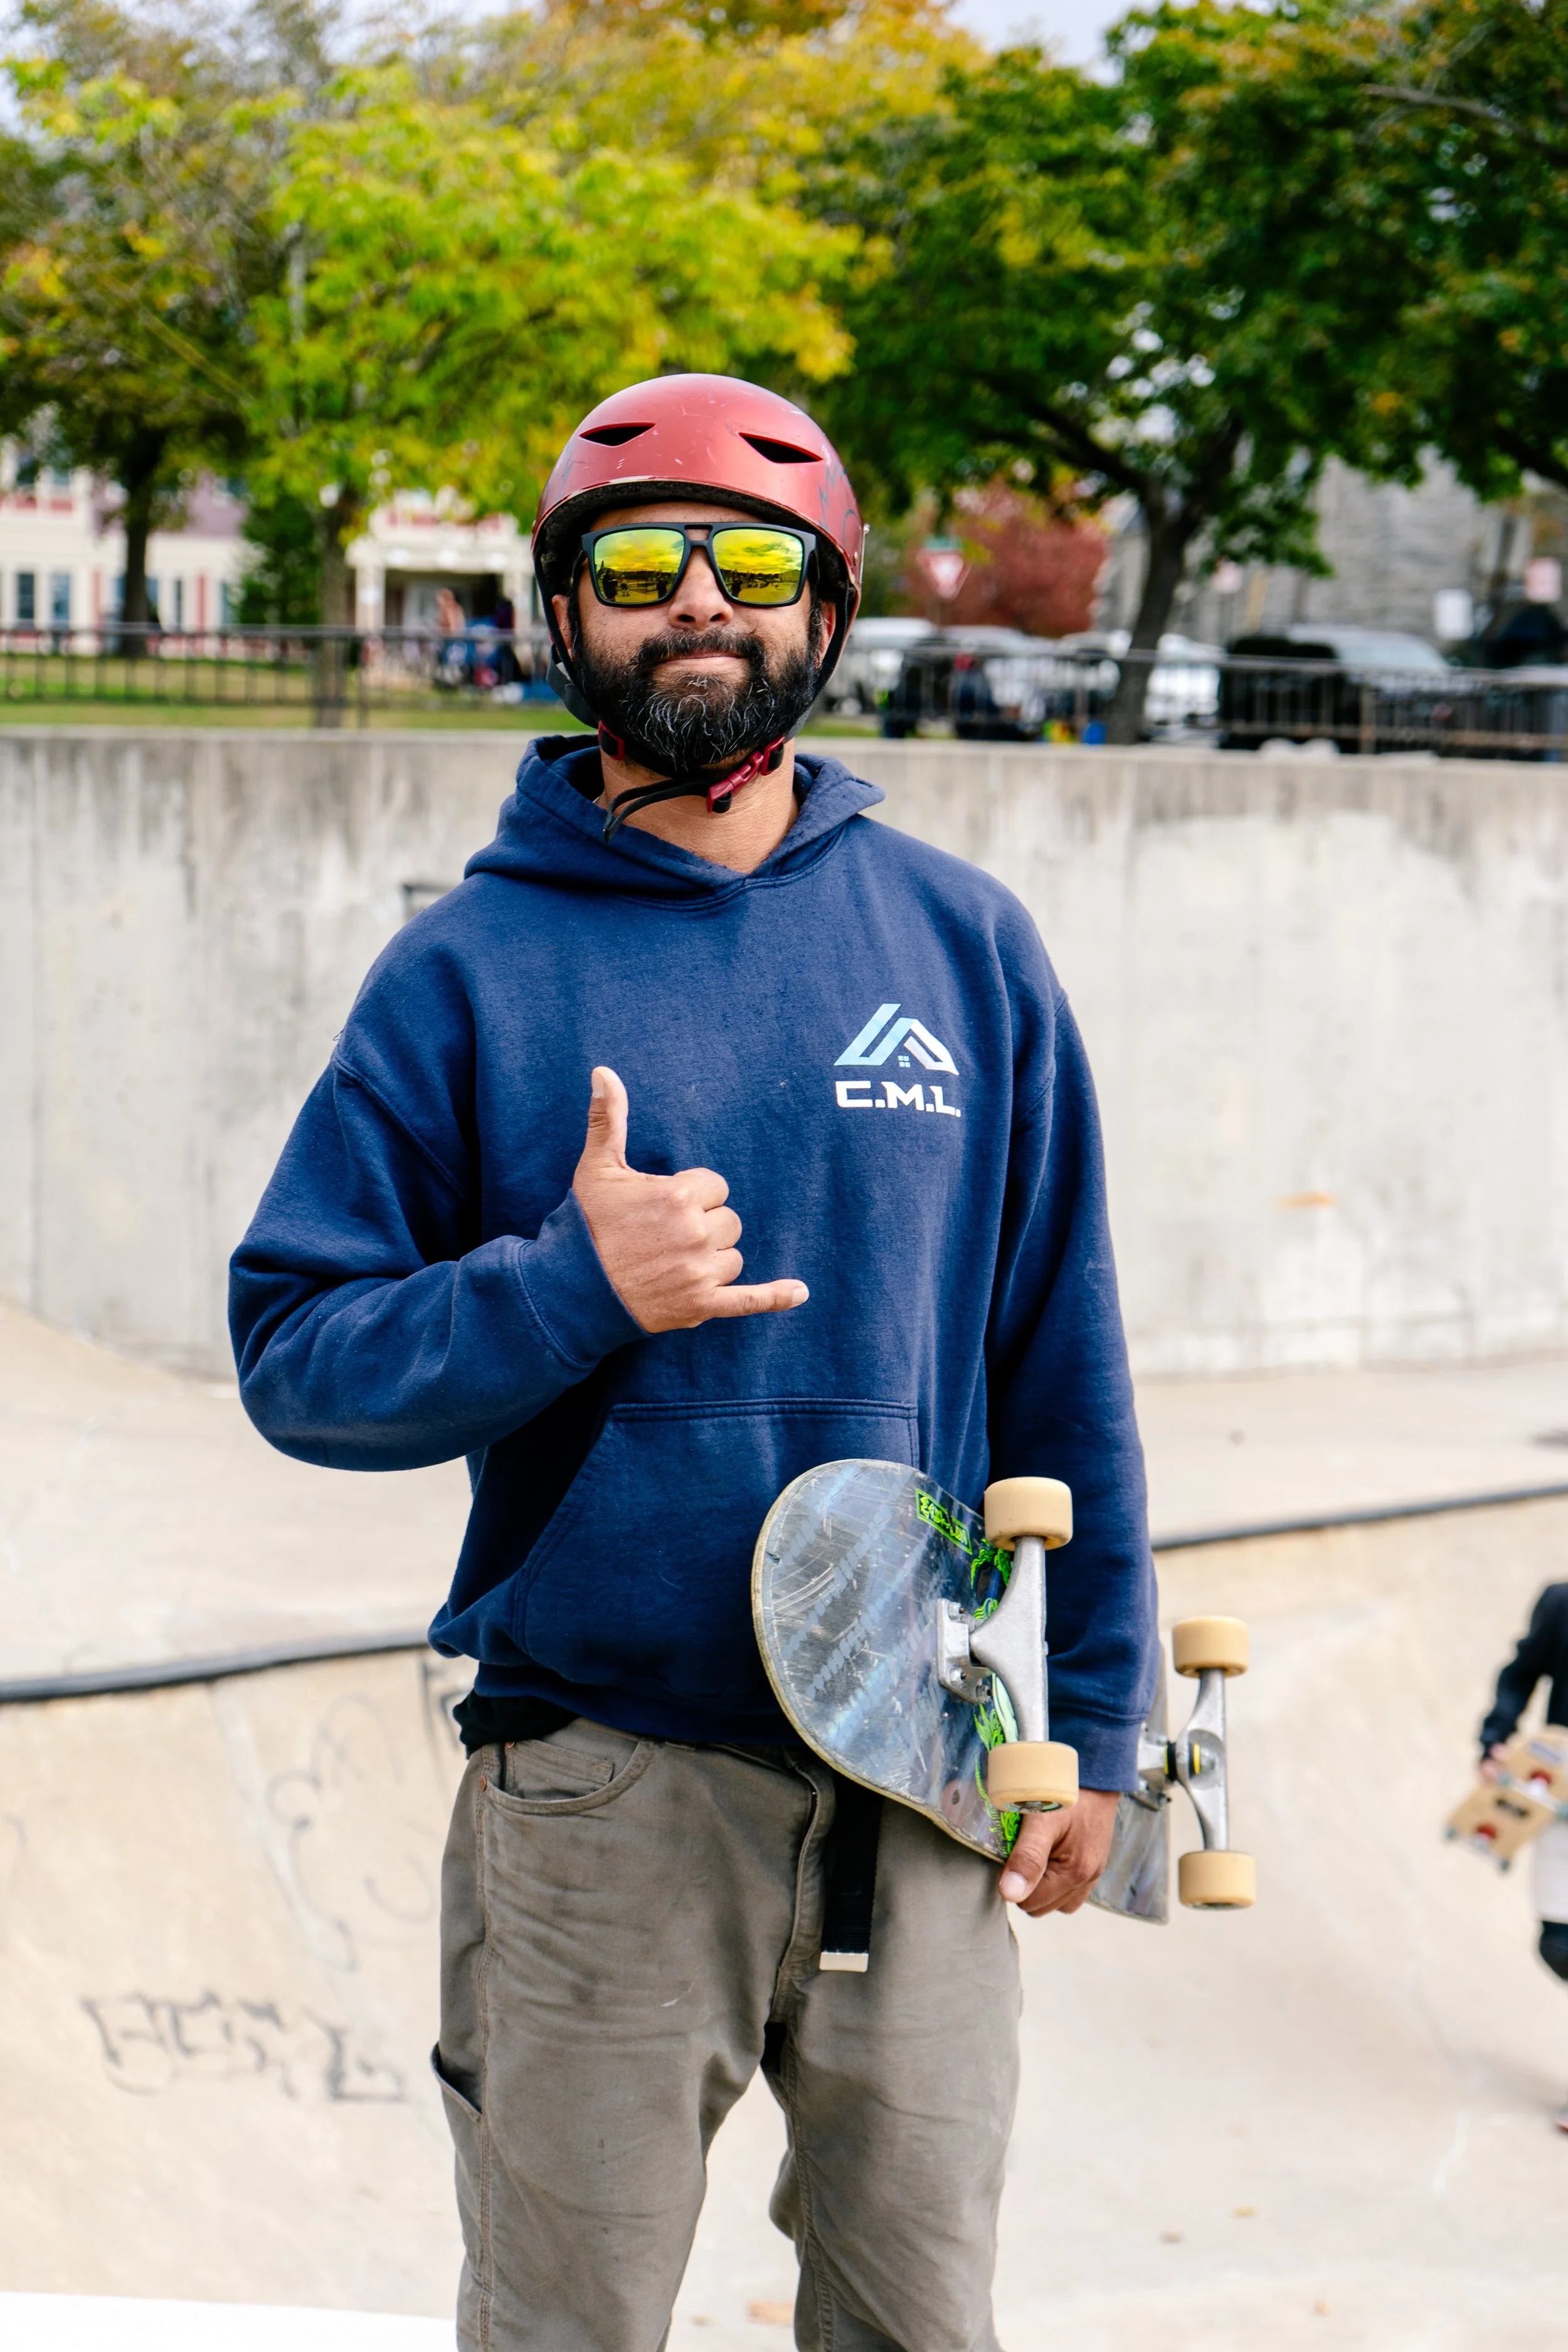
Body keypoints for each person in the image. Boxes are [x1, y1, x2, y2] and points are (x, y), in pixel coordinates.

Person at [230, 373, 1158, 2352]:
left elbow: (1055, 1354)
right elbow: (296, 1356)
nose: (697, 604)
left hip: (922, 1765)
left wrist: (1083, 1711)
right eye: (638, 565)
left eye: (752, 563)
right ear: (561, 616)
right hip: (606, 1787)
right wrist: (566, 1284)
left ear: (824, 609)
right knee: (564, 2323)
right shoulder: (465, 973)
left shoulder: (960, 945)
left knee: (920, 2323)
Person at [1480, 1581, 1568, 2133]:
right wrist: (1495, 1739)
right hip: (1559, 1799)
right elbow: (1519, 1676)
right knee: (1558, 1943)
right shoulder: (1562, 1605)